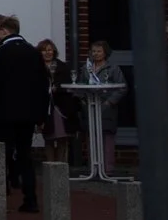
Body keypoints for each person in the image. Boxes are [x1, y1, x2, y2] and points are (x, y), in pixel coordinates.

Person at [0, 14, 50, 211]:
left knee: (0, 154)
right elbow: (42, 85)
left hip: (3, 113)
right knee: (24, 155)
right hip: (27, 114)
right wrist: (41, 115)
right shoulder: (32, 52)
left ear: (4, 31)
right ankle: (30, 199)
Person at [76, 41, 125, 176]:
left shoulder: (113, 68)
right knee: (91, 136)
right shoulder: (86, 68)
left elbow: (122, 87)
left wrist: (110, 102)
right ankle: (93, 168)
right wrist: (83, 101)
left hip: (106, 108)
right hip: (90, 107)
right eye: (93, 51)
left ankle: (108, 169)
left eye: (99, 51)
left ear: (105, 53)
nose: (96, 54)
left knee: (107, 137)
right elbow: (80, 85)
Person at [38, 38, 73, 162]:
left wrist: (56, 88)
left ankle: (62, 165)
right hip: (44, 107)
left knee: (62, 137)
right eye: (44, 50)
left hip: (59, 106)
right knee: (48, 138)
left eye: (49, 50)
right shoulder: (37, 67)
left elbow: (68, 86)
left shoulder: (62, 67)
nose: (47, 53)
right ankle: (50, 165)